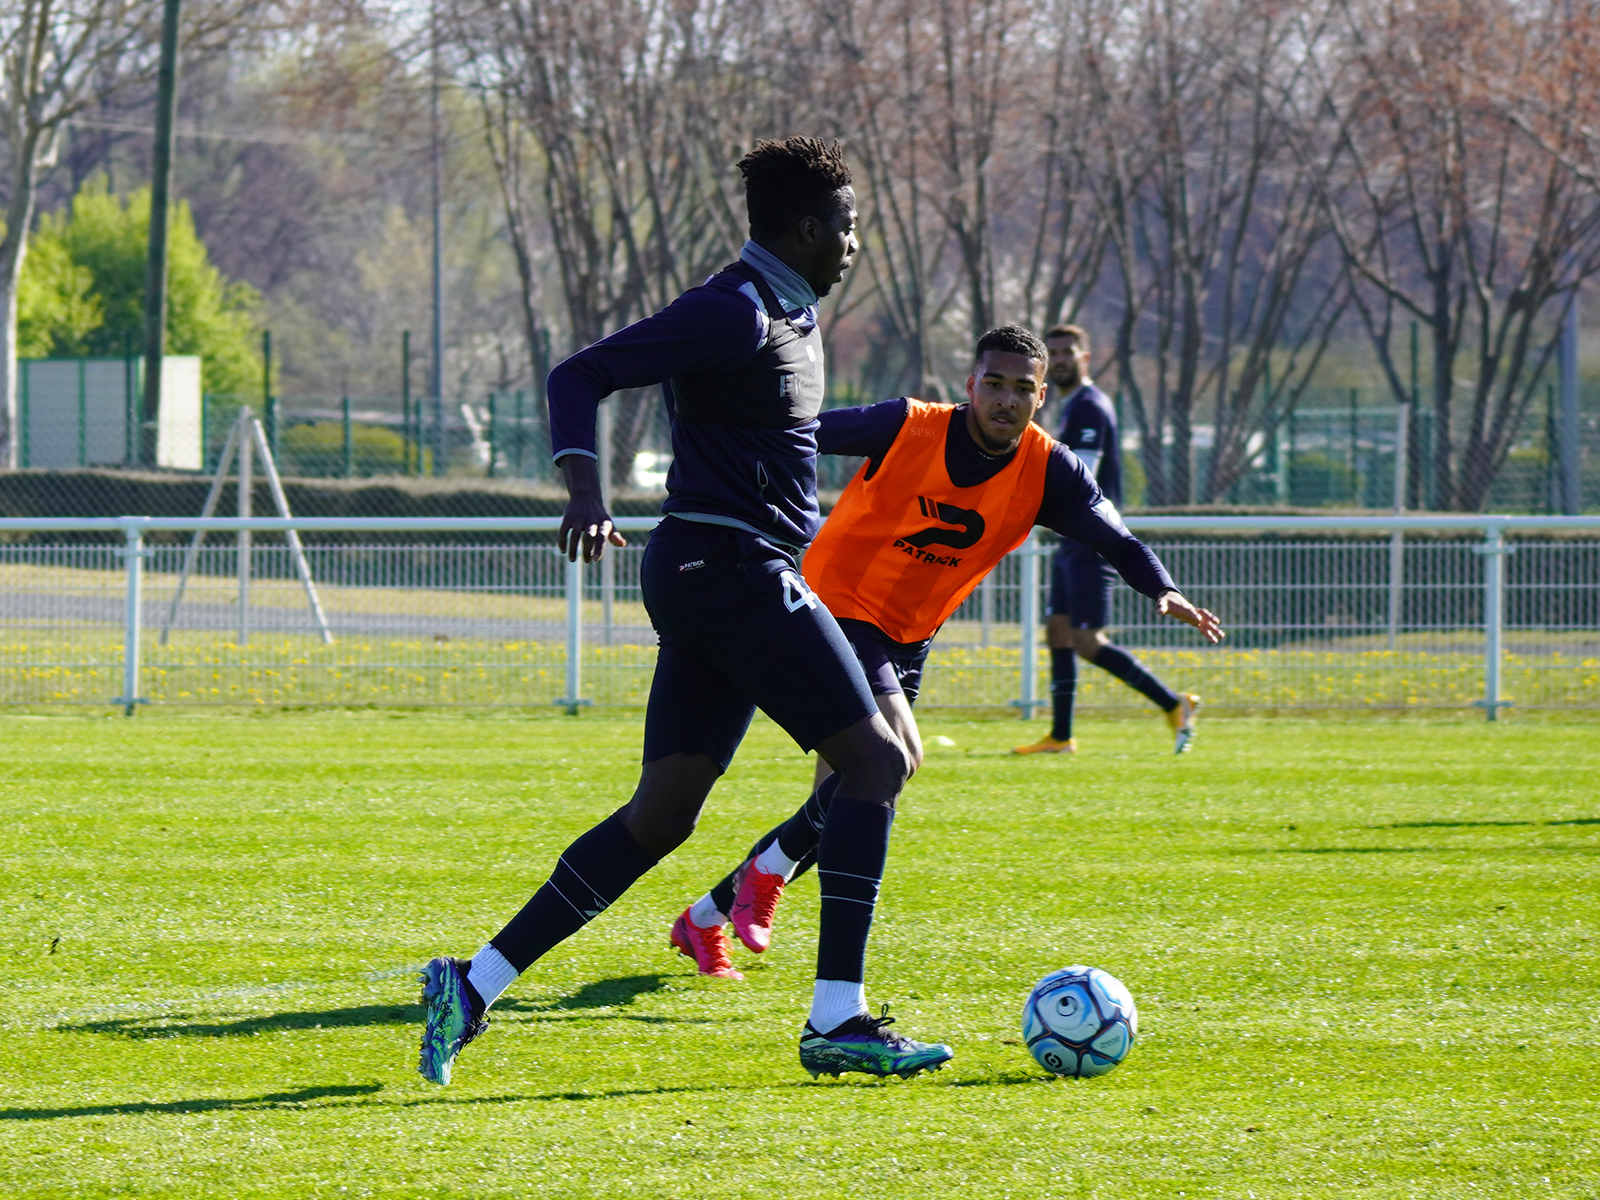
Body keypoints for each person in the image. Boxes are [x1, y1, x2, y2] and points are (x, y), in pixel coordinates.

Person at [415, 137, 954, 1086]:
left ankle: (473, 982)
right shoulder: (731, 311)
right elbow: (577, 374)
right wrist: (585, 490)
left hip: (716, 573)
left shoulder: (789, 313)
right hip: (731, 568)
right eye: (848, 224)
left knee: (662, 815)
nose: (856, 242)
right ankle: (840, 1017)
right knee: (875, 762)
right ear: (804, 228)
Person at [670, 325, 1223, 974]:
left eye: (1022, 389)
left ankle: (707, 915)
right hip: (839, 609)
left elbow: (1117, 539)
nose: (1005, 400)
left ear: (1041, 397)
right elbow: (803, 436)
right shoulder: (908, 424)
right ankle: (774, 889)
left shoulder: (1049, 469)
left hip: (910, 635)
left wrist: (1162, 589)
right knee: (896, 758)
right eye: (994, 383)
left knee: (853, 795)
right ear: (971, 386)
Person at [1014, 324, 1202, 756]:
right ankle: (1061, 737)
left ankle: (1174, 703)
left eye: (1067, 352)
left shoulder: (1089, 408)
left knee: (1087, 640)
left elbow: (1081, 473)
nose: (1060, 360)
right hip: (1070, 539)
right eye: (1053, 353)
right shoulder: (1072, 406)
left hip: (1091, 538)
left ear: (1085, 359)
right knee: (1058, 630)